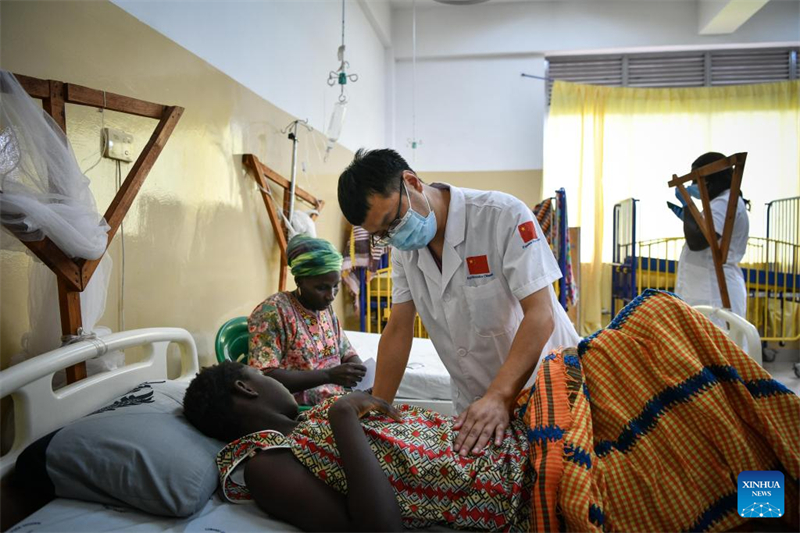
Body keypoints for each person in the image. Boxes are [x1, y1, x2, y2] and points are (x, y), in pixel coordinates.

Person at [183, 290, 799, 533]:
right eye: (258, 375)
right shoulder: (265, 463)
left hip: (527, 426)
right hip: (521, 480)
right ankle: (780, 488)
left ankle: (779, 444)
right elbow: (374, 532)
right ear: (245, 389)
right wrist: (347, 418)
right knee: (691, 470)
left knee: (659, 326)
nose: (271, 380)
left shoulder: (306, 418)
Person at [336, 148, 580, 456]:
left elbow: (541, 314)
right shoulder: (404, 252)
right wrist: (379, 408)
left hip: (543, 386)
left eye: (392, 221)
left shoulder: (501, 215)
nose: (395, 236)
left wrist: (499, 396)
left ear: (411, 182)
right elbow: (399, 328)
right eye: (382, 234)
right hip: (476, 402)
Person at [247, 235, 366, 406]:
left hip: (339, 403)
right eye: (321, 287)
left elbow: (346, 352)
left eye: (335, 286)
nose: (330, 296)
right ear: (299, 281)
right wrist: (328, 375)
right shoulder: (272, 313)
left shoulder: (324, 309)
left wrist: (360, 372)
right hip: (301, 411)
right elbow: (264, 376)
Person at [667, 152, 750, 319]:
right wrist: (689, 217)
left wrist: (688, 206)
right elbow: (704, 233)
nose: (692, 186)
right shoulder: (719, 202)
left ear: (709, 179)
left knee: (718, 342)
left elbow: (698, 241)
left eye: (695, 181)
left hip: (715, 291)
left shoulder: (724, 202)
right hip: (706, 288)